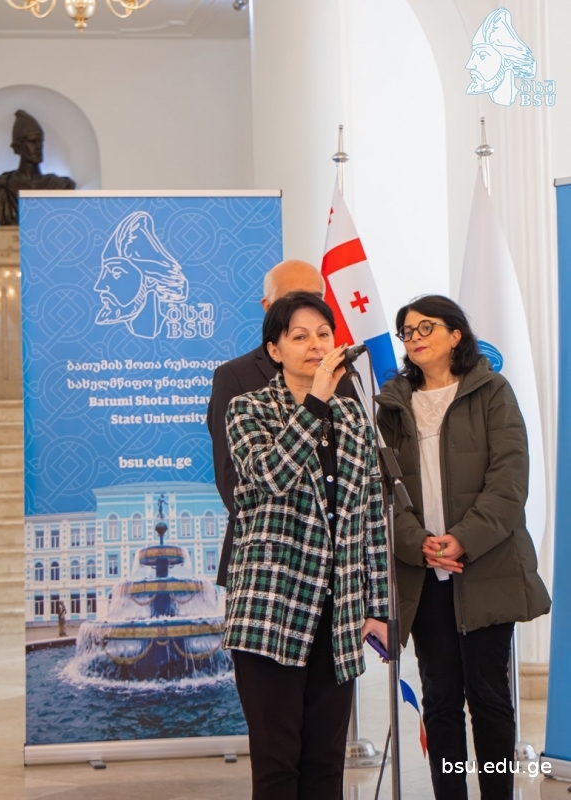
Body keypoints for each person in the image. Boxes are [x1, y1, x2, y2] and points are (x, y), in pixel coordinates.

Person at [375, 295, 550, 800]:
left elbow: (509, 481)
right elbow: (381, 491)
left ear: (456, 334)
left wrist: (463, 539)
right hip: (424, 572)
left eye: (426, 326)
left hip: (486, 566)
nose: (415, 337)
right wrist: (418, 543)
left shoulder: (492, 391)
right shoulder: (391, 405)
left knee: (490, 700)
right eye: (407, 331)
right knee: (440, 701)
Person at [225, 291, 388, 800]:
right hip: (272, 609)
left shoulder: (354, 417)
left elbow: (370, 516)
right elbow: (271, 475)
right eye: (300, 336)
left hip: (337, 614)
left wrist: (379, 607)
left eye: (323, 334)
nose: (316, 344)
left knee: (325, 763)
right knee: (278, 764)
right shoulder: (248, 409)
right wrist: (314, 402)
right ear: (275, 350)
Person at [207, 260, 353, 589]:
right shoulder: (235, 377)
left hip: (335, 564)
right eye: (293, 296)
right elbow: (231, 476)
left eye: (316, 296)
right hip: (269, 560)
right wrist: (286, 539)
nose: (305, 304)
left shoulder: (340, 374)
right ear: (267, 306)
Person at [0, 109, 75, 226]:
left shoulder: (60, 185)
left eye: (40, 141)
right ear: (17, 147)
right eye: (32, 141)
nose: (38, 147)